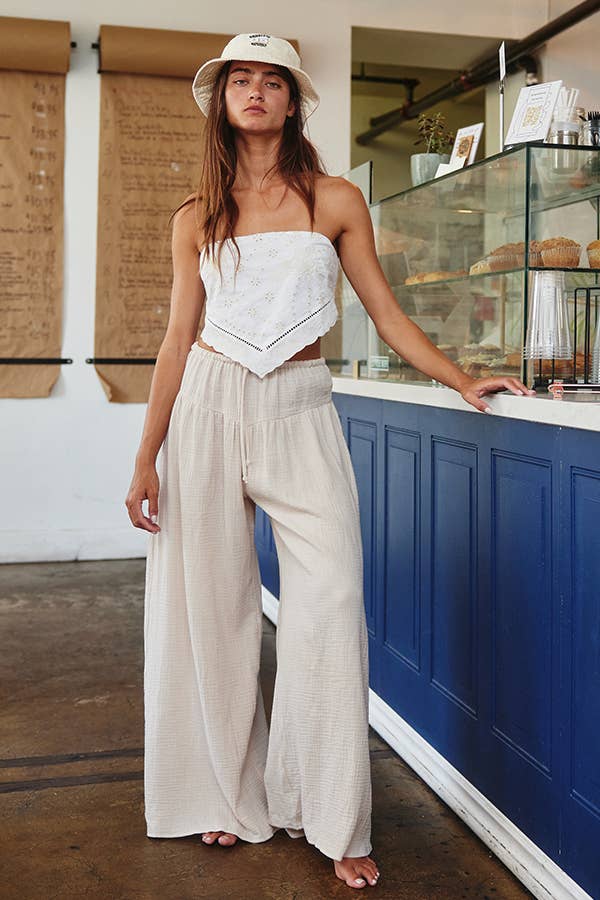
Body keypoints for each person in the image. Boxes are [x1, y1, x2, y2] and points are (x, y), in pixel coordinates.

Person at [125, 33, 535, 892]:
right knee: (211, 611)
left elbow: (385, 315)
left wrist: (462, 376)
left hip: (301, 406)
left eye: (271, 80)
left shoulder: (338, 198)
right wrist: (145, 456)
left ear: (292, 100)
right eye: (240, 79)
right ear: (223, 100)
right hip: (205, 405)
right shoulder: (195, 213)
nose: (254, 92)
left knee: (332, 601)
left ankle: (332, 815)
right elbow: (173, 340)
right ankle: (222, 795)